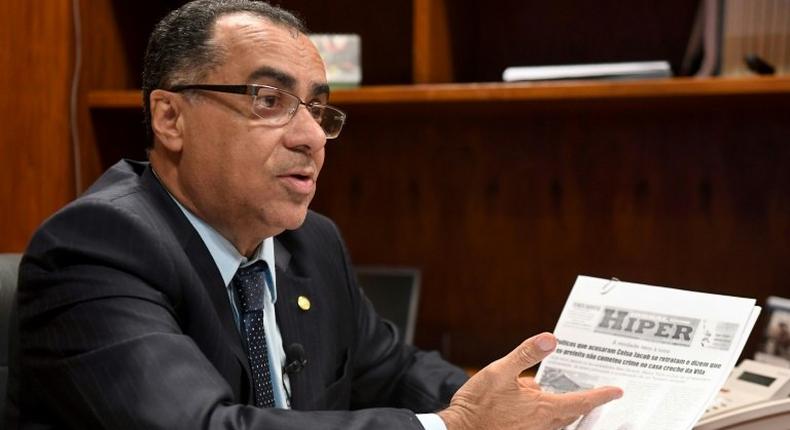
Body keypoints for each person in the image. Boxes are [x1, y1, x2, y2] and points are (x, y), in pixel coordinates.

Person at [6, 1, 622, 429]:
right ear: (171, 119)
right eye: (269, 100)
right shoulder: (96, 248)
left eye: (320, 110)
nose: (311, 137)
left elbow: (392, 370)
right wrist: (453, 428)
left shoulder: (309, 243)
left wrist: (532, 406)